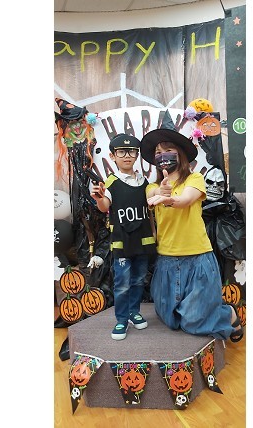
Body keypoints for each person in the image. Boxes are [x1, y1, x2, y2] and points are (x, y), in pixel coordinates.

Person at [140, 116, 244, 342]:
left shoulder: (195, 179)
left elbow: (185, 199)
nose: (162, 155)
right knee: (169, 318)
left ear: (180, 153)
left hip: (197, 257)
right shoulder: (152, 186)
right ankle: (207, 309)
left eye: (168, 150)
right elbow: (152, 194)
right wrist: (160, 192)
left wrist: (169, 199)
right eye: (158, 152)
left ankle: (227, 313)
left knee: (193, 321)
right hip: (167, 260)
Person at [90, 133, 157, 340]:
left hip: (143, 240)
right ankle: (121, 319)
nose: (127, 156)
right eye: (122, 152)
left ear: (137, 155)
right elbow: (104, 207)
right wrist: (99, 198)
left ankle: (134, 312)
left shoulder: (144, 182)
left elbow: (150, 209)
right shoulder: (111, 183)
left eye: (132, 152)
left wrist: (154, 232)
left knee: (138, 280)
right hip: (122, 242)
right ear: (113, 156)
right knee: (122, 283)